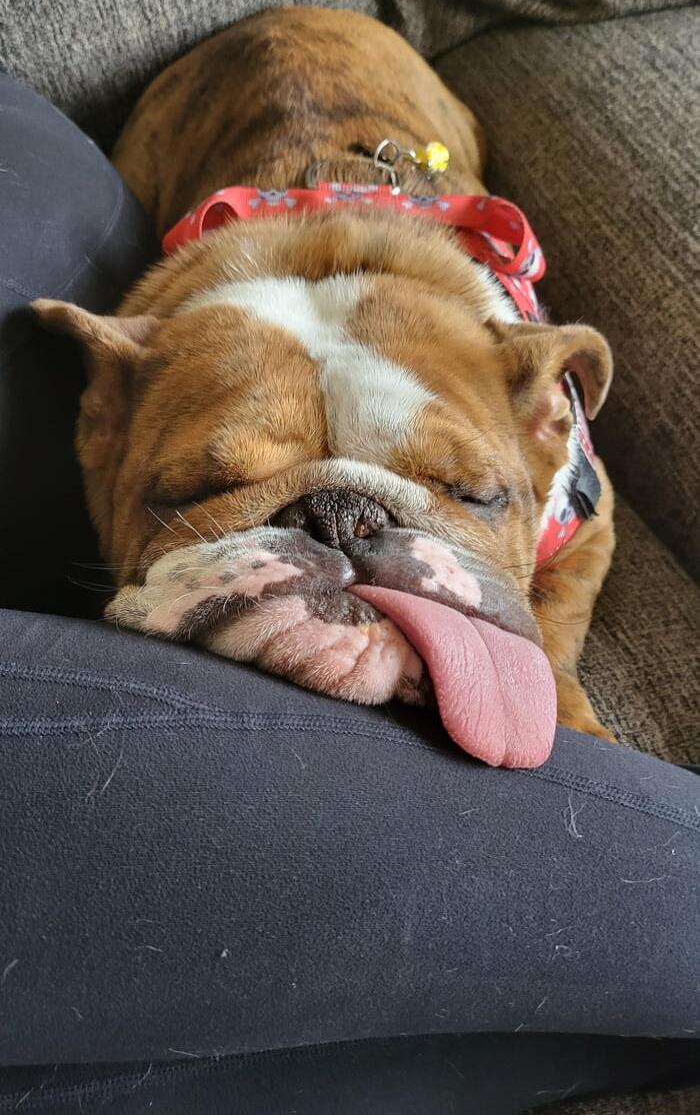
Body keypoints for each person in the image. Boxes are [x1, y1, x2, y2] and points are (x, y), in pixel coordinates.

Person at [0, 72, 697, 1115]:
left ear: (548, 414)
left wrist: (549, 670)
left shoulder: (526, 402)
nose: (349, 543)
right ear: (104, 409)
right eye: (213, 487)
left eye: (460, 489)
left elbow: (578, 531)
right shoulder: (134, 366)